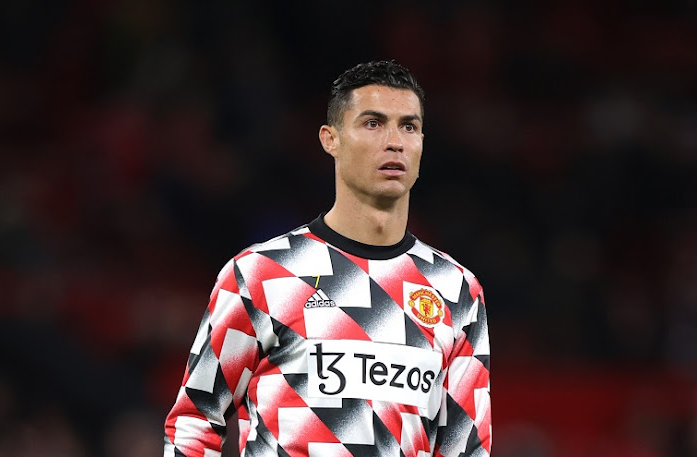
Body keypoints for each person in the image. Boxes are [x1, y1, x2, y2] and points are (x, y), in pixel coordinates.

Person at [164, 60, 491, 457]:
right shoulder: (261, 274)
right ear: (329, 139)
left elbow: (465, 449)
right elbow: (194, 420)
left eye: (409, 126)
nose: (394, 141)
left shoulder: (456, 290)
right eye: (373, 123)